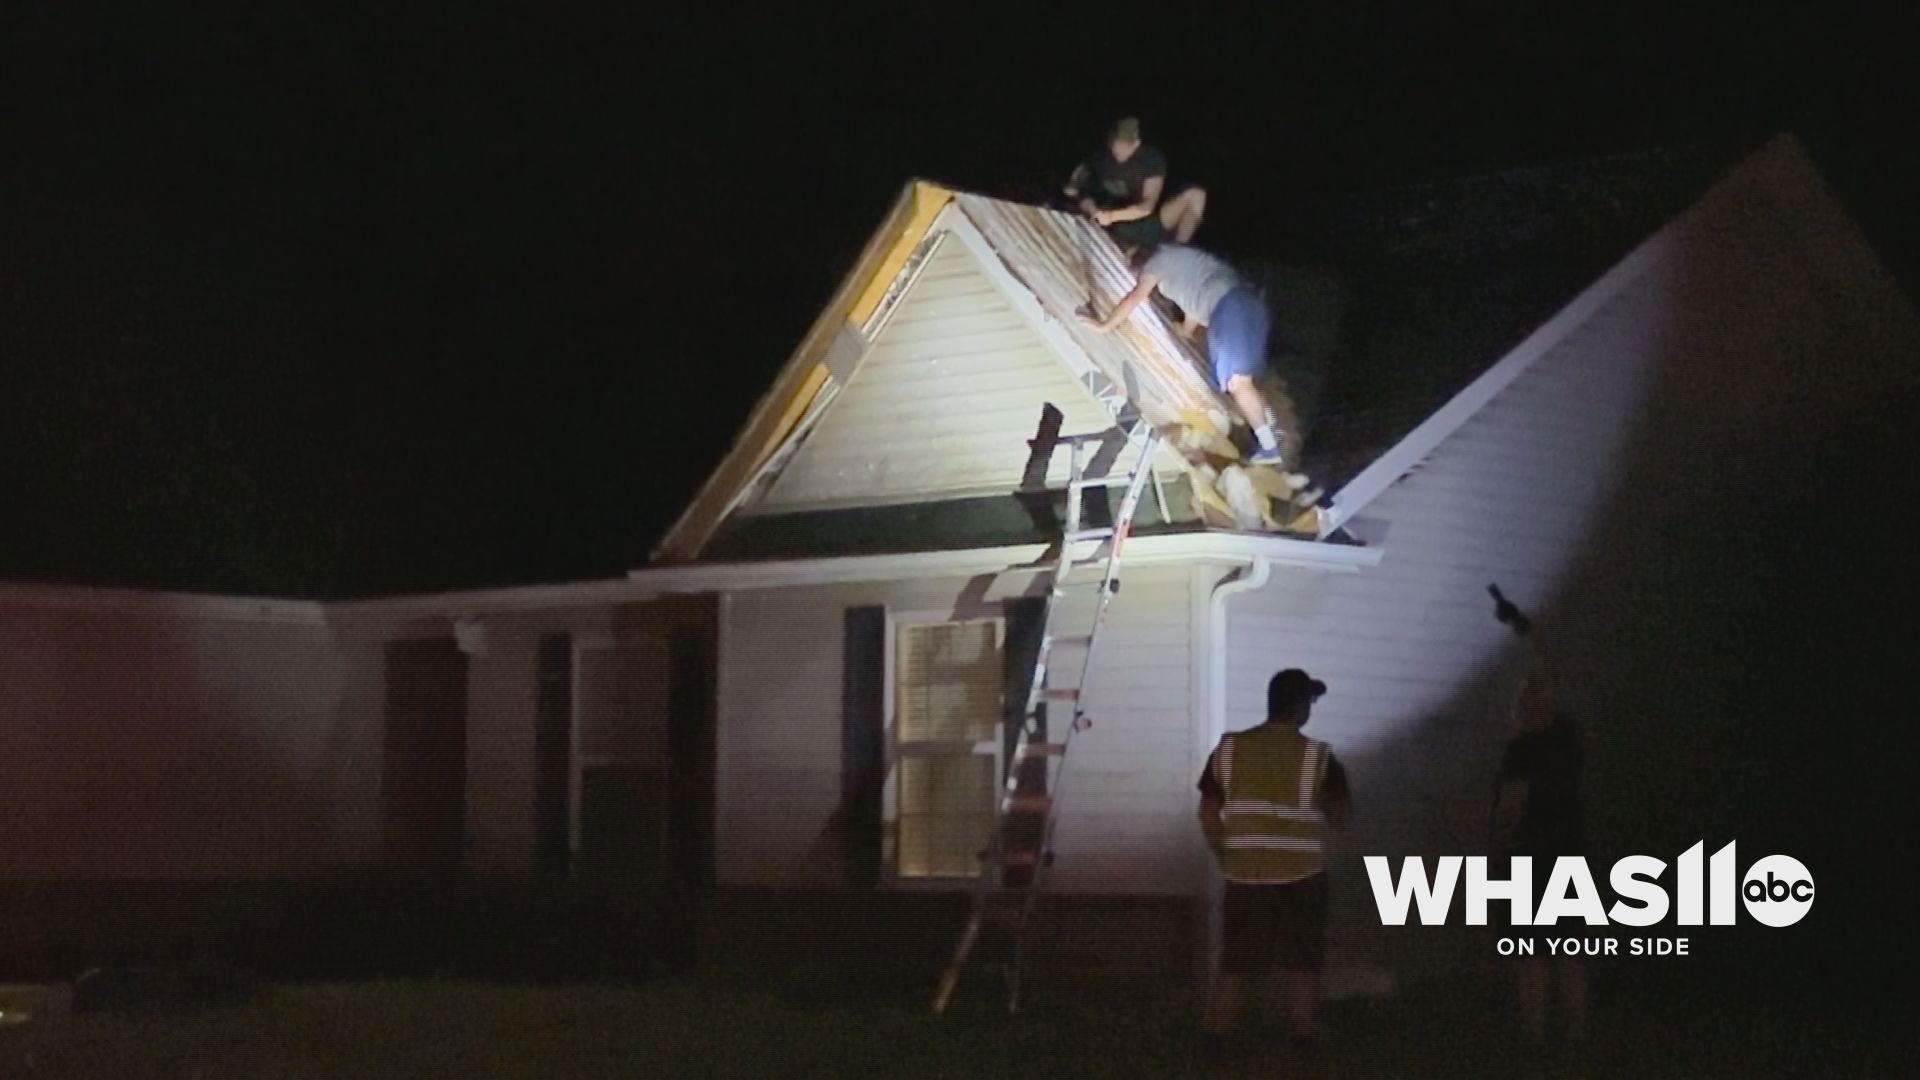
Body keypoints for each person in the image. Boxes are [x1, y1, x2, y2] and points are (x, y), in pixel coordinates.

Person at [1196, 668, 1352, 1045]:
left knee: (1238, 958)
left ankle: (1217, 1031)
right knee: (1302, 957)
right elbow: (1342, 816)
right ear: (1299, 706)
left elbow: (1207, 812)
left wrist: (1225, 855)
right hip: (1303, 876)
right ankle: (1304, 1030)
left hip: (1246, 876)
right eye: (1310, 702)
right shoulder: (1318, 757)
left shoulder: (1229, 749)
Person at [1487, 589, 1589, 1053]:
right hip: (1570, 853)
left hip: (1531, 856)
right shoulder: (1566, 739)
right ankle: (1574, 1032)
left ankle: (1533, 1034)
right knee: (1568, 953)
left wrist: (1498, 856)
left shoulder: (1522, 750)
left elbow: (1512, 805)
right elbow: (1551, 666)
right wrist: (1523, 626)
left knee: (1532, 956)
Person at [1083, 242, 1290, 465]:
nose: (1134, 277)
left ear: (1141, 264)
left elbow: (1135, 297)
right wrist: (1185, 330)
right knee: (1244, 379)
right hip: (1249, 303)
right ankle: (1270, 430)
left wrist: (1105, 325)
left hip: (1230, 307)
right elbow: (1195, 299)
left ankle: (1269, 447)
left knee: (1237, 383)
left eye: (1132, 271)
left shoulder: (1156, 263)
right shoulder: (1178, 259)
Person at [1063, 117, 1208, 249]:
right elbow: (1078, 188)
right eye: (1116, 143)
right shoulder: (1101, 156)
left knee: (1196, 194)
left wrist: (1112, 216)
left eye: (1125, 145)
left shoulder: (1150, 159)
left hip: (1144, 223)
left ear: (1136, 144)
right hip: (1109, 224)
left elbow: (1147, 206)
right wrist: (1091, 208)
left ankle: (1176, 253)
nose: (1119, 149)